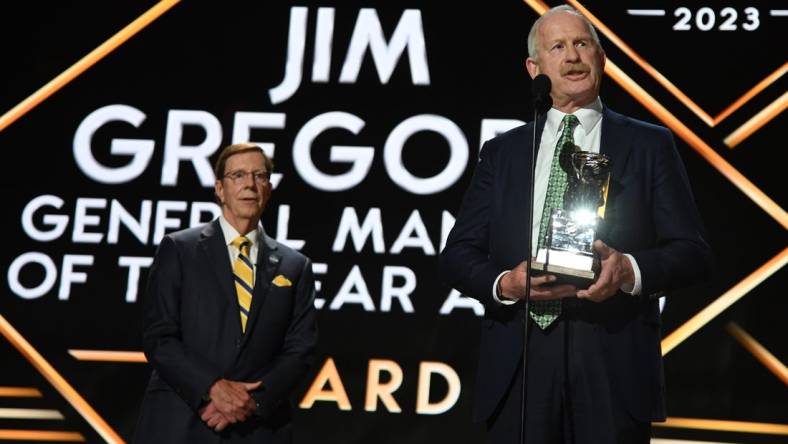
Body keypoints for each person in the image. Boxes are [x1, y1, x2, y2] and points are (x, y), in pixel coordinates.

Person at [439, 6, 713, 444]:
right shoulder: (503, 152)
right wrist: (505, 283)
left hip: (611, 354)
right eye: (558, 46)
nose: (573, 57)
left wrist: (628, 270)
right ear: (535, 68)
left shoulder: (648, 144)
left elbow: (693, 252)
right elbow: (457, 255)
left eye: (583, 44)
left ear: (601, 59)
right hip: (521, 358)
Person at [134, 143, 318, 443]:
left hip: (256, 429)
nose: (250, 184)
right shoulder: (180, 249)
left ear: (269, 189)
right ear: (219, 189)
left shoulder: (295, 266)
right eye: (239, 175)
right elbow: (159, 337)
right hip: (181, 422)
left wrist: (251, 402)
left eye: (259, 176)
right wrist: (212, 388)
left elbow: (300, 350)